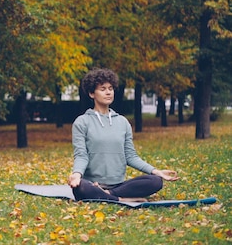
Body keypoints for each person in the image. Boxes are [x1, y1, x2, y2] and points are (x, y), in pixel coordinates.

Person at [67, 68, 179, 202]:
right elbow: (81, 155)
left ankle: (108, 194)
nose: (108, 92)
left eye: (110, 88)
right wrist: (77, 174)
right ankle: (120, 199)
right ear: (92, 93)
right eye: (102, 89)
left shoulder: (122, 122)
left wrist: (156, 171)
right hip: (92, 184)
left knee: (155, 181)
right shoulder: (82, 122)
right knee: (81, 187)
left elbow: (131, 156)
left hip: (119, 185)